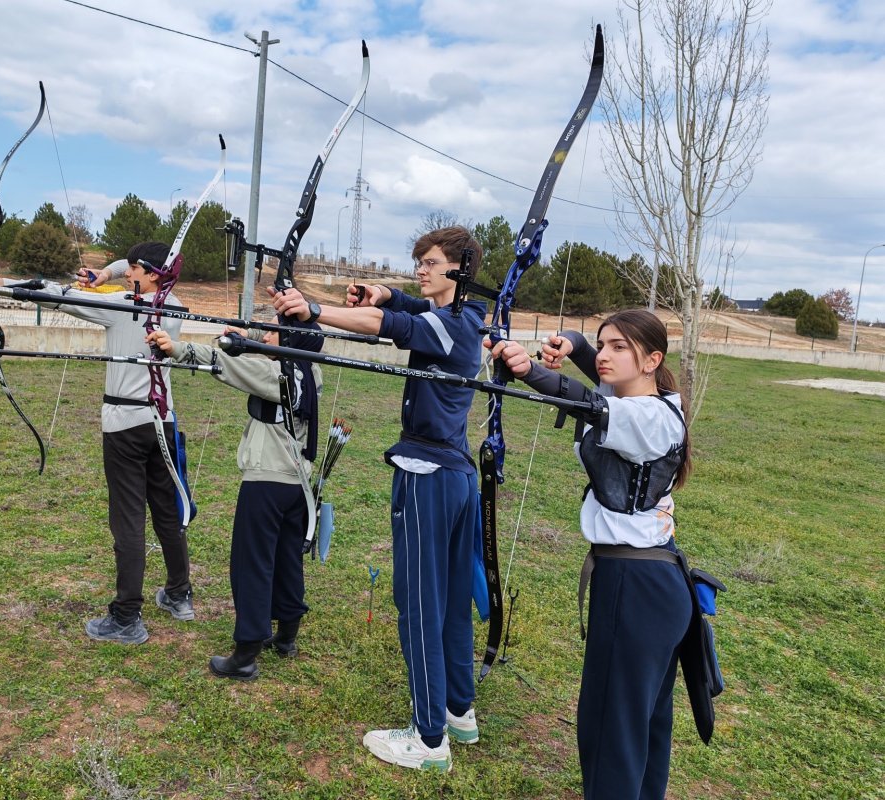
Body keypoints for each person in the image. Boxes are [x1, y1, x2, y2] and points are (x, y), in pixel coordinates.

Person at [269, 226, 486, 773]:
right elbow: (407, 309)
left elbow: (393, 325)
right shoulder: (469, 318)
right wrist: (386, 292)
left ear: (459, 270)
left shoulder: (443, 325)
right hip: (457, 478)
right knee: (452, 596)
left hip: (427, 475)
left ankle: (428, 738)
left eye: (432, 263)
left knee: (419, 601)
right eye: (419, 261)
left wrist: (313, 310)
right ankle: (458, 711)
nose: (421, 270)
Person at [486, 309, 692, 800]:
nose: (604, 355)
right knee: (639, 724)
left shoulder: (646, 416)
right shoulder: (643, 399)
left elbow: (583, 403)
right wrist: (572, 343)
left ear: (652, 359)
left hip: (635, 585)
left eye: (619, 347)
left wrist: (529, 370)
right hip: (650, 583)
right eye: (603, 345)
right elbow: (591, 379)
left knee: (610, 727)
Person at [0, 242, 195, 644]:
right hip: (163, 423)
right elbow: (125, 268)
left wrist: (0, 283)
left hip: (125, 426)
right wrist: (105, 275)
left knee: (127, 521)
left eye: (136, 269)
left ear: (153, 273)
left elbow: (58, 295)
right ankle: (179, 595)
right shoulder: (173, 306)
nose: (129, 273)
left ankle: (127, 617)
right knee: (165, 512)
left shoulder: (123, 306)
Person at [146, 315, 323, 680]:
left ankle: (245, 655)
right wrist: (246, 334)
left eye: (274, 331)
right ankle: (287, 636)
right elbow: (259, 342)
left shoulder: (273, 373)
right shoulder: (310, 370)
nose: (266, 334)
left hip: (266, 484)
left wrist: (176, 348)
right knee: (287, 559)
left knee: (252, 564)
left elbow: (221, 362)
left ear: (287, 341)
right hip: (297, 487)